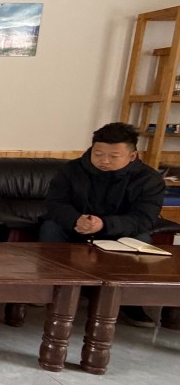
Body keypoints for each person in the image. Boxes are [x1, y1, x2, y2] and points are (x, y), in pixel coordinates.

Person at [41, 121, 166, 327]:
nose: (104, 161)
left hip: (120, 231)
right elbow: (55, 204)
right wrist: (75, 219)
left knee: (142, 240)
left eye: (113, 156)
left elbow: (144, 218)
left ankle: (129, 302)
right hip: (76, 227)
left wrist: (104, 224)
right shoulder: (71, 170)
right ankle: (49, 289)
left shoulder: (149, 179)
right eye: (98, 154)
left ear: (132, 156)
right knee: (51, 227)